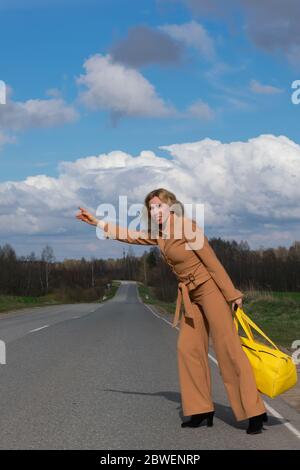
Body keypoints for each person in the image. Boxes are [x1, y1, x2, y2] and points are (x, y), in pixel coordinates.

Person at [75, 188, 268, 435]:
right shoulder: (160, 233)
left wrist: (232, 294)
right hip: (189, 295)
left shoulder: (188, 227)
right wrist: (96, 222)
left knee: (228, 349)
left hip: (210, 291)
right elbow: (130, 235)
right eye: (151, 208)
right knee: (188, 349)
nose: (155, 212)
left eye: (159, 206)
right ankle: (201, 410)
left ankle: (254, 412)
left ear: (172, 207)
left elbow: (212, 262)